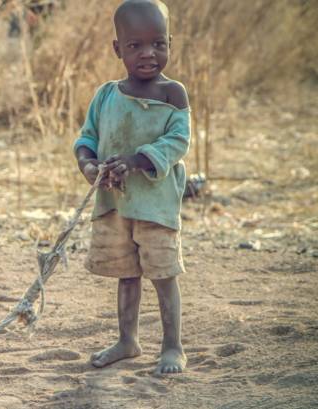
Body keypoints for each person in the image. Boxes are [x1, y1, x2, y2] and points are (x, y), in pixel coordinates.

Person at [73, 0, 190, 374]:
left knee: (163, 274)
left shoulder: (174, 94)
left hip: (156, 205)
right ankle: (128, 340)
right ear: (117, 49)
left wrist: (138, 160)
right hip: (116, 205)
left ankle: (173, 347)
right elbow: (87, 137)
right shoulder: (106, 94)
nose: (148, 54)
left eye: (158, 44)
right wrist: (89, 165)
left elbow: (178, 141)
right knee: (127, 273)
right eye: (135, 45)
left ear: (170, 43)